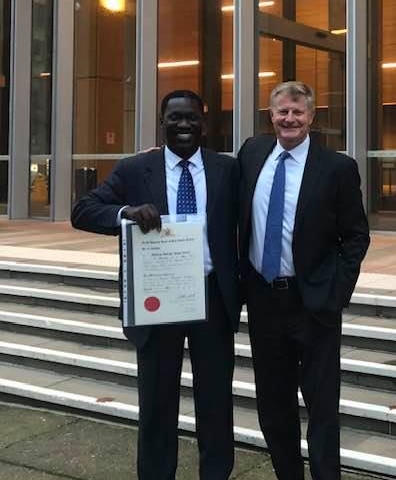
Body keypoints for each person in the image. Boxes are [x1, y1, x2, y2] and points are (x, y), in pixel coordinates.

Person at [71, 90, 240, 480]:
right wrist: (124, 213)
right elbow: (82, 210)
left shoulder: (226, 170)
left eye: (192, 118)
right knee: (157, 403)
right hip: (158, 300)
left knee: (215, 403)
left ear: (205, 121)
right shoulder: (135, 170)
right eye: (175, 118)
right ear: (161, 122)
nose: (184, 125)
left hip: (212, 298)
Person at [237, 81, 370, 480]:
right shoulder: (252, 153)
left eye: (297, 112)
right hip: (263, 300)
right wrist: (160, 155)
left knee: (322, 405)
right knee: (273, 405)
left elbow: (356, 235)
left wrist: (336, 292)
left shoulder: (337, 168)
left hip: (313, 303)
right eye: (282, 111)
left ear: (312, 117)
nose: (289, 119)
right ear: (271, 115)